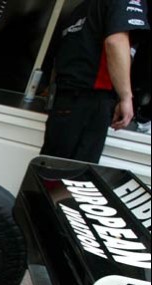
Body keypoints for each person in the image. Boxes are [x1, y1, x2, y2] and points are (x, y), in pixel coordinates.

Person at [40, 0, 149, 163]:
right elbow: (115, 41)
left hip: (65, 100)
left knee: (52, 169)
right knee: (74, 176)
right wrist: (126, 97)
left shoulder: (83, 7)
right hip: (89, 101)